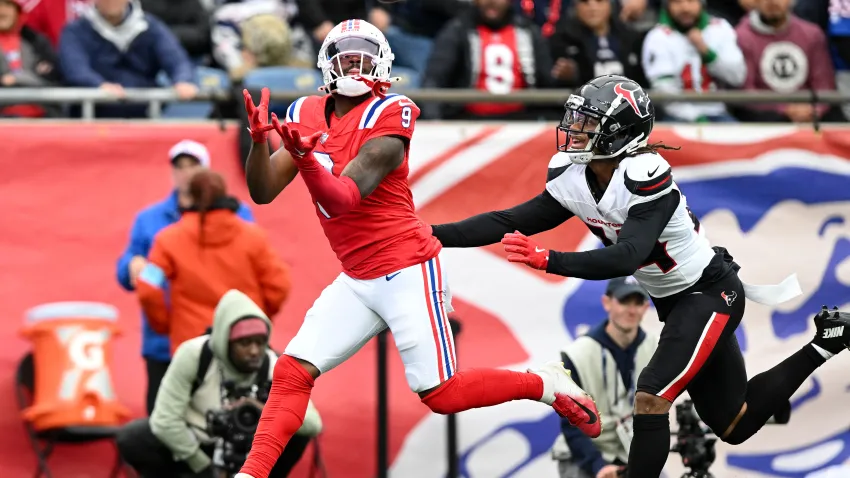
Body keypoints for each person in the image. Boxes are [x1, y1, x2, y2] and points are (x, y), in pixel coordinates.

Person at [429, 74, 850, 478]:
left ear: (619, 130)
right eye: (575, 117)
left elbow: (626, 257)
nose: (574, 128)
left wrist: (550, 260)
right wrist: (428, 234)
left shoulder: (645, 174)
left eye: (588, 121)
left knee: (651, 396)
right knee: (734, 423)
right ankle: (826, 343)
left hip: (709, 293)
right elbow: (508, 219)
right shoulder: (575, 174)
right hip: (679, 301)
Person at [234, 18, 602, 478]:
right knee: (292, 371)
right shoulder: (306, 111)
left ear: (381, 64)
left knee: (442, 394)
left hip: (406, 266)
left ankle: (544, 383)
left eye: (362, 57)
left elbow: (346, 197)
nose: (353, 65)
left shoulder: (391, 111)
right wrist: (256, 143)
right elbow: (263, 190)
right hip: (357, 274)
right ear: (327, 64)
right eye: (345, 57)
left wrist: (307, 159)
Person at [116, 289, 321, 478]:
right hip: (197, 444)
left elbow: (314, 424)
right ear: (225, 340)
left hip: (253, 451)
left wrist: (262, 411)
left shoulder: (273, 365)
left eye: (260, 342)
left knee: (297, 434)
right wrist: (204, 468)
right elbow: (164, 421)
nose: (254, 351)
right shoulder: (195, 355)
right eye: (244, 343)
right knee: (134, 438)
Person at [116, 139, 254, 415]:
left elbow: (257, 273)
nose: (186, 173)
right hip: (164, 347)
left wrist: (246, 323)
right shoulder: (150, 220)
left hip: (222, 340)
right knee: (164, 422)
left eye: (193, 166)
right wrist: (131, 265)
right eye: (180, 166)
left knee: (223, 423)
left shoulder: (238, 217)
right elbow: (130, 274)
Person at [136, 169, 291, 355]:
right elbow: (279, 285)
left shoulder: (167, 240)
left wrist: (166, 325)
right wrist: (257, 318)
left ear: (189, 198)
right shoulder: (254, 237)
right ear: (224, 194)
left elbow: (147, 286)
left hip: (192, 347)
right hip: (246, 345)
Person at [552, 277, 657, 478]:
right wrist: (598, 465)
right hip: (584, 455)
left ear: (646, 307)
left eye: (638, 302)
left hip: (630, 453)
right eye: (625, 301)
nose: (631, 310)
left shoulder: (656, 348)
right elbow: (571, 424)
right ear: (607, 303)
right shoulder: (576, 354)